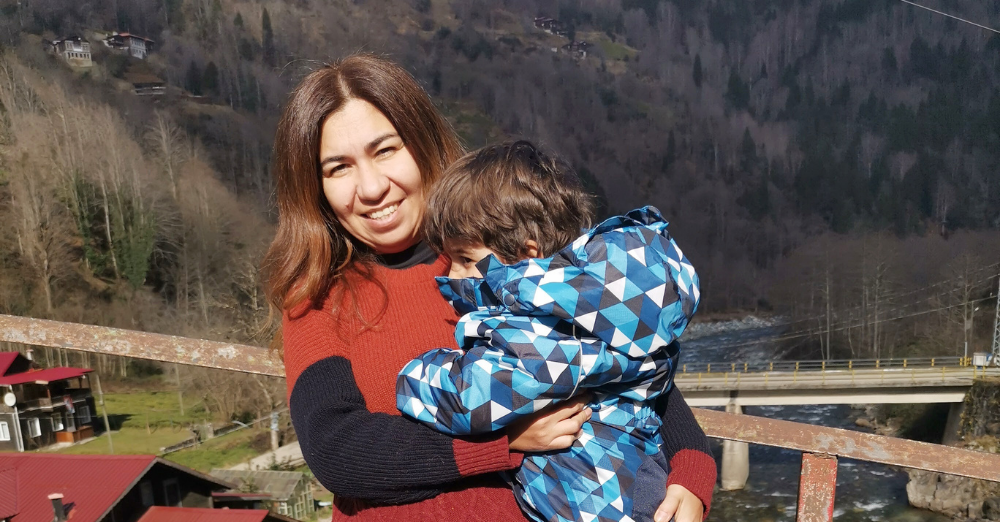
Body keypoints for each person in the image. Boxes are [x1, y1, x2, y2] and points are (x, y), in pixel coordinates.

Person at [263, 54, 717, 522]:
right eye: (338, 168)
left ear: (421, 143)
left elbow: (630, 365)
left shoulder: (496, 257)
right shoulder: (316, 295)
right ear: (315, 187)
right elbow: (335, 449)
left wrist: (691, 472)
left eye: (385, 151)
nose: (372, 187)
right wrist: (503, 442)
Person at [397, 141, 701, 522]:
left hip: (599, 501)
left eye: (464, 259)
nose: (451, 275)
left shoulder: (543, 331)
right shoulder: (604, 307)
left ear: (527, 255)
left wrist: (414, 377)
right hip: (628, 484)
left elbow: (470, 397)